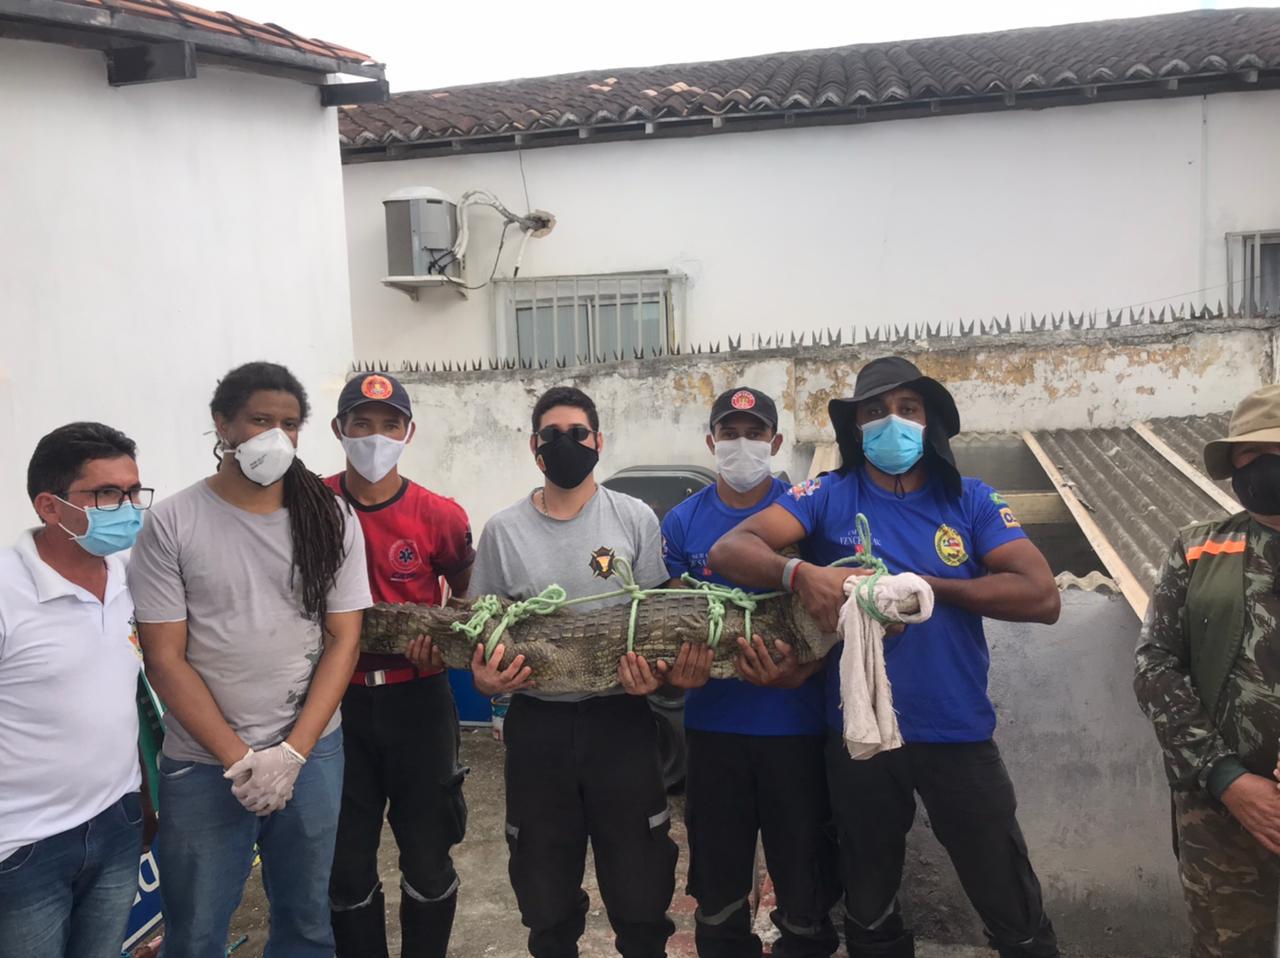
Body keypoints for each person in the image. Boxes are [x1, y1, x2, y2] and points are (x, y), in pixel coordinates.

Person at [709, 356, 1061, 958]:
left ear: (929, 422)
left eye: (907, 408)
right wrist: (800, 574)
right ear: (856, 427)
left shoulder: (970, 500)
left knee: (1007, 893)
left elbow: (1042, 596)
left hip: (957, 732)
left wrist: (919, 588)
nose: (891, 421)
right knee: (868, 904)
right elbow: (730, 548)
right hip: (860, 737)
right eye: (875, 411)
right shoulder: (826, 495)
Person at [128, 361, 372, 958]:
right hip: (203, 763)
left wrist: (293, 753)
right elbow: (164, 657)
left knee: (306, 920)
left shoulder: (330, 517)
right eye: (260, 420)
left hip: (311, 755)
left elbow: (343, 639)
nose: (276, 436)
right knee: (196, 931)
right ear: (223, 424)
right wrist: (239, 760)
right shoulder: (172, 522)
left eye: (289, 424)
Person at [469, 385, 678, 958]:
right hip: (538, 727)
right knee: (545, 895)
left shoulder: (634, 517)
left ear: (599, 442)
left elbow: (657, 618)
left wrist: (657, 677)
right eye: (552, 435)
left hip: (622, 721)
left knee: (641, 886)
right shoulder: (503, 531)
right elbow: (481, 630)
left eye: (578, 433)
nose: (565, 444)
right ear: (534, 447)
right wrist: (484, 681)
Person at [661, 387, 838, 958]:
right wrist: (680, 672)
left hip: (797, 729)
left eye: (755, 433)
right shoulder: (682, 522)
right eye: (730, 433)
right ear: (711, 442)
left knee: (805, 886)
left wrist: (804, 670)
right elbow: (671, 620)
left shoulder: (803, 513)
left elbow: (835, 616)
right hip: (714, 731)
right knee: (718, 891)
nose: (742, 444)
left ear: (776, 442)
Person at [325, 372, 475, 958]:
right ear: (339, 429)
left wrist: (443, 635)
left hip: (419, 699)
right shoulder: (310, 505)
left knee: (428, 852)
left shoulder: (439, 514)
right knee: (344, 860)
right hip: (335, 703)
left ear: (408, 433)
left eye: (390, 425)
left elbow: (465, 594)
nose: (375, 436)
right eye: (361, 423)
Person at [1135, 383, 1280, 958]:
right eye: (1251, 454)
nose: (1265, 465)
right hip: (1221, 810)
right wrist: (1227, 778)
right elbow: (1155, 668)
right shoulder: (1198, 550)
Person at [0, 422, 154, 958]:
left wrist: (142, 798)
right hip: (24, 846)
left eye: (133, 492)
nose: (127, 508)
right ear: (50, 506)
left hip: (118, 820)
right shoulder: (7, 590)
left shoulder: (127, 575)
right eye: (107, 494)